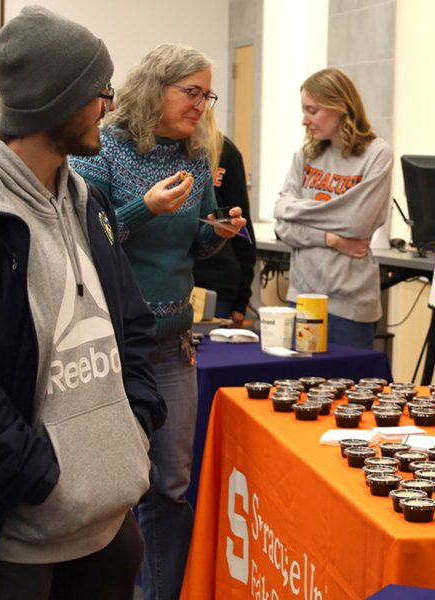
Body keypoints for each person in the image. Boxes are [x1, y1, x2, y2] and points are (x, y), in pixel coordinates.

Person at [0, 6, 165, 599]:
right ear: (58, 100)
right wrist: (36, 479)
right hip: (16, 544)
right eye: (100, 91)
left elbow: (130, 323)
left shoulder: (86, 203)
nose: (109, 105)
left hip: (105, 533)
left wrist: (138, 424)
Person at [70, 44, 245, 600]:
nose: (201, 105)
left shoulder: (196, 154)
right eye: (190, 92)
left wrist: (213, 233)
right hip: (109, 345)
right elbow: (81, 237)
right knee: (111, 488)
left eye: (207, 94)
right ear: (155, 88)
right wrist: (145, 206)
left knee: (171, 487)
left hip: (173, 344)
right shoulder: (104, 147)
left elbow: (190, 246)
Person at [274, 68, 393, 349]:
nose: (305, 120)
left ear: (340, 106)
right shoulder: (305, 155)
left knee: (347, 391)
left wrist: (294, 210)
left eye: (312, 111)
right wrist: (331, 239)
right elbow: (281, 222)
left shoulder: (377, 154)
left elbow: (357, 222)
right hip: (301, 297)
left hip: (349, 305)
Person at [193, 109, 257, 325]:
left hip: (217, 284)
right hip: (175, 281)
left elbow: (242, 228)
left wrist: (242, 300)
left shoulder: (226, 153)